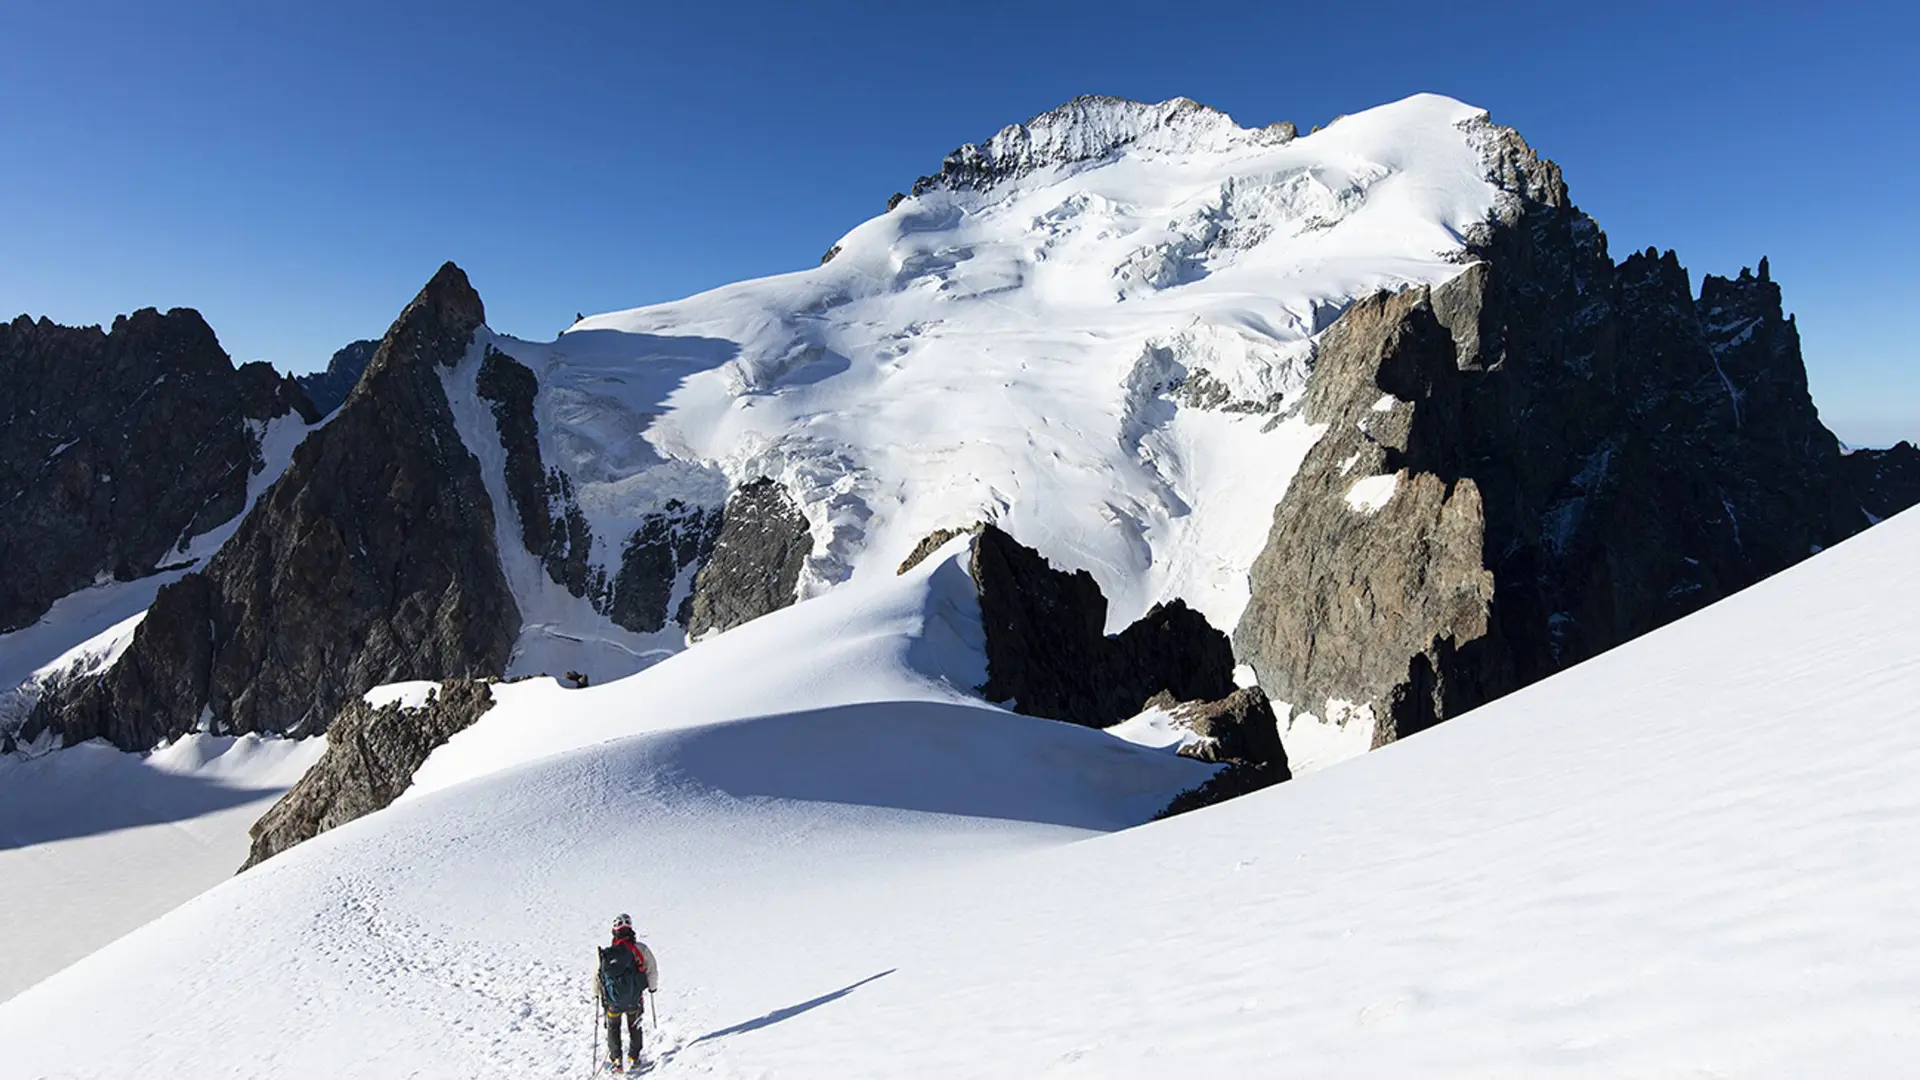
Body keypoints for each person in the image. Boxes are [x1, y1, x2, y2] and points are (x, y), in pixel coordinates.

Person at [597, 913, 658, 1073]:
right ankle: (634, 1057)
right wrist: (652, 988)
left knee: (613, 1028)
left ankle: (616, 1059)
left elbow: (597, 976)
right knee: (634, 1026)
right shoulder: (641, 949)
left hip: (612, 1002)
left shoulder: (607, 953)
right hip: (634, 998)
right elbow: (651, 969)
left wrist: (597, 994)